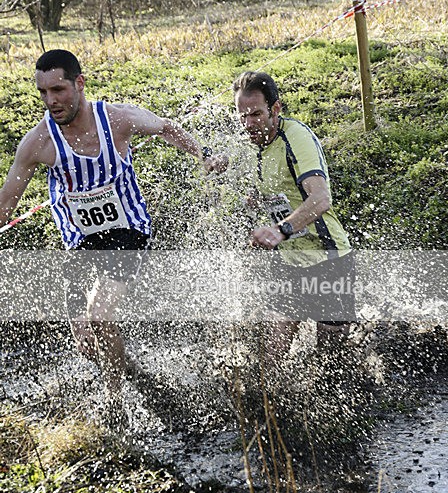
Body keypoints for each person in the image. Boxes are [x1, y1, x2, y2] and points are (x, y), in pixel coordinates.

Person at [0, 48, 226, 417]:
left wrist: (203, 154)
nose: (51, 101)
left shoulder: (117, 119)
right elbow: (6, 204)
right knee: (89, 340)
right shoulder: (37, 142)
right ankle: (133, 372)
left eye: (58, 90)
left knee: (101, 315)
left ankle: (115, 403)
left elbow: (166, 128)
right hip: (79, 243)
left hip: (126, 230)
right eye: (43, 93)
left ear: (80, 83)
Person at [233, 70, 353, 363]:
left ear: (276, 109)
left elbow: (321, 198)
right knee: (271, 357)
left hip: (329, 261)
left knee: (330, 362)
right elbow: (274, 192)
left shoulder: (296, 138)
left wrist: (281, 230)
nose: (249, 124)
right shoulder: (254, 145)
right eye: (242, 116)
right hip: (289, 263)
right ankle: (272, 403)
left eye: (256, 114)